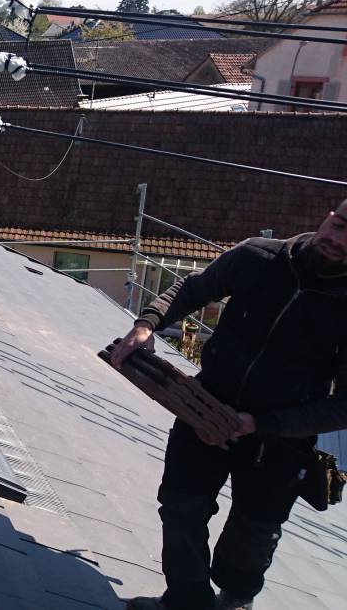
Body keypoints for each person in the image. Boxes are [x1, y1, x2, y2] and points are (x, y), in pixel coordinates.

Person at [115, 199, 347, 610]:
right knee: (182, 507)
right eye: (341, 225)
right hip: (204, 407)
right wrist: (146, 324)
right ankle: (185, 601)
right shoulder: (260, 256)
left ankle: (235, 601)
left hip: (278, 438)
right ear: (328, 216)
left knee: (253, 534)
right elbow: (193, 287)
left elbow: (343, 406)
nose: (339, 241)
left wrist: (261, 423)